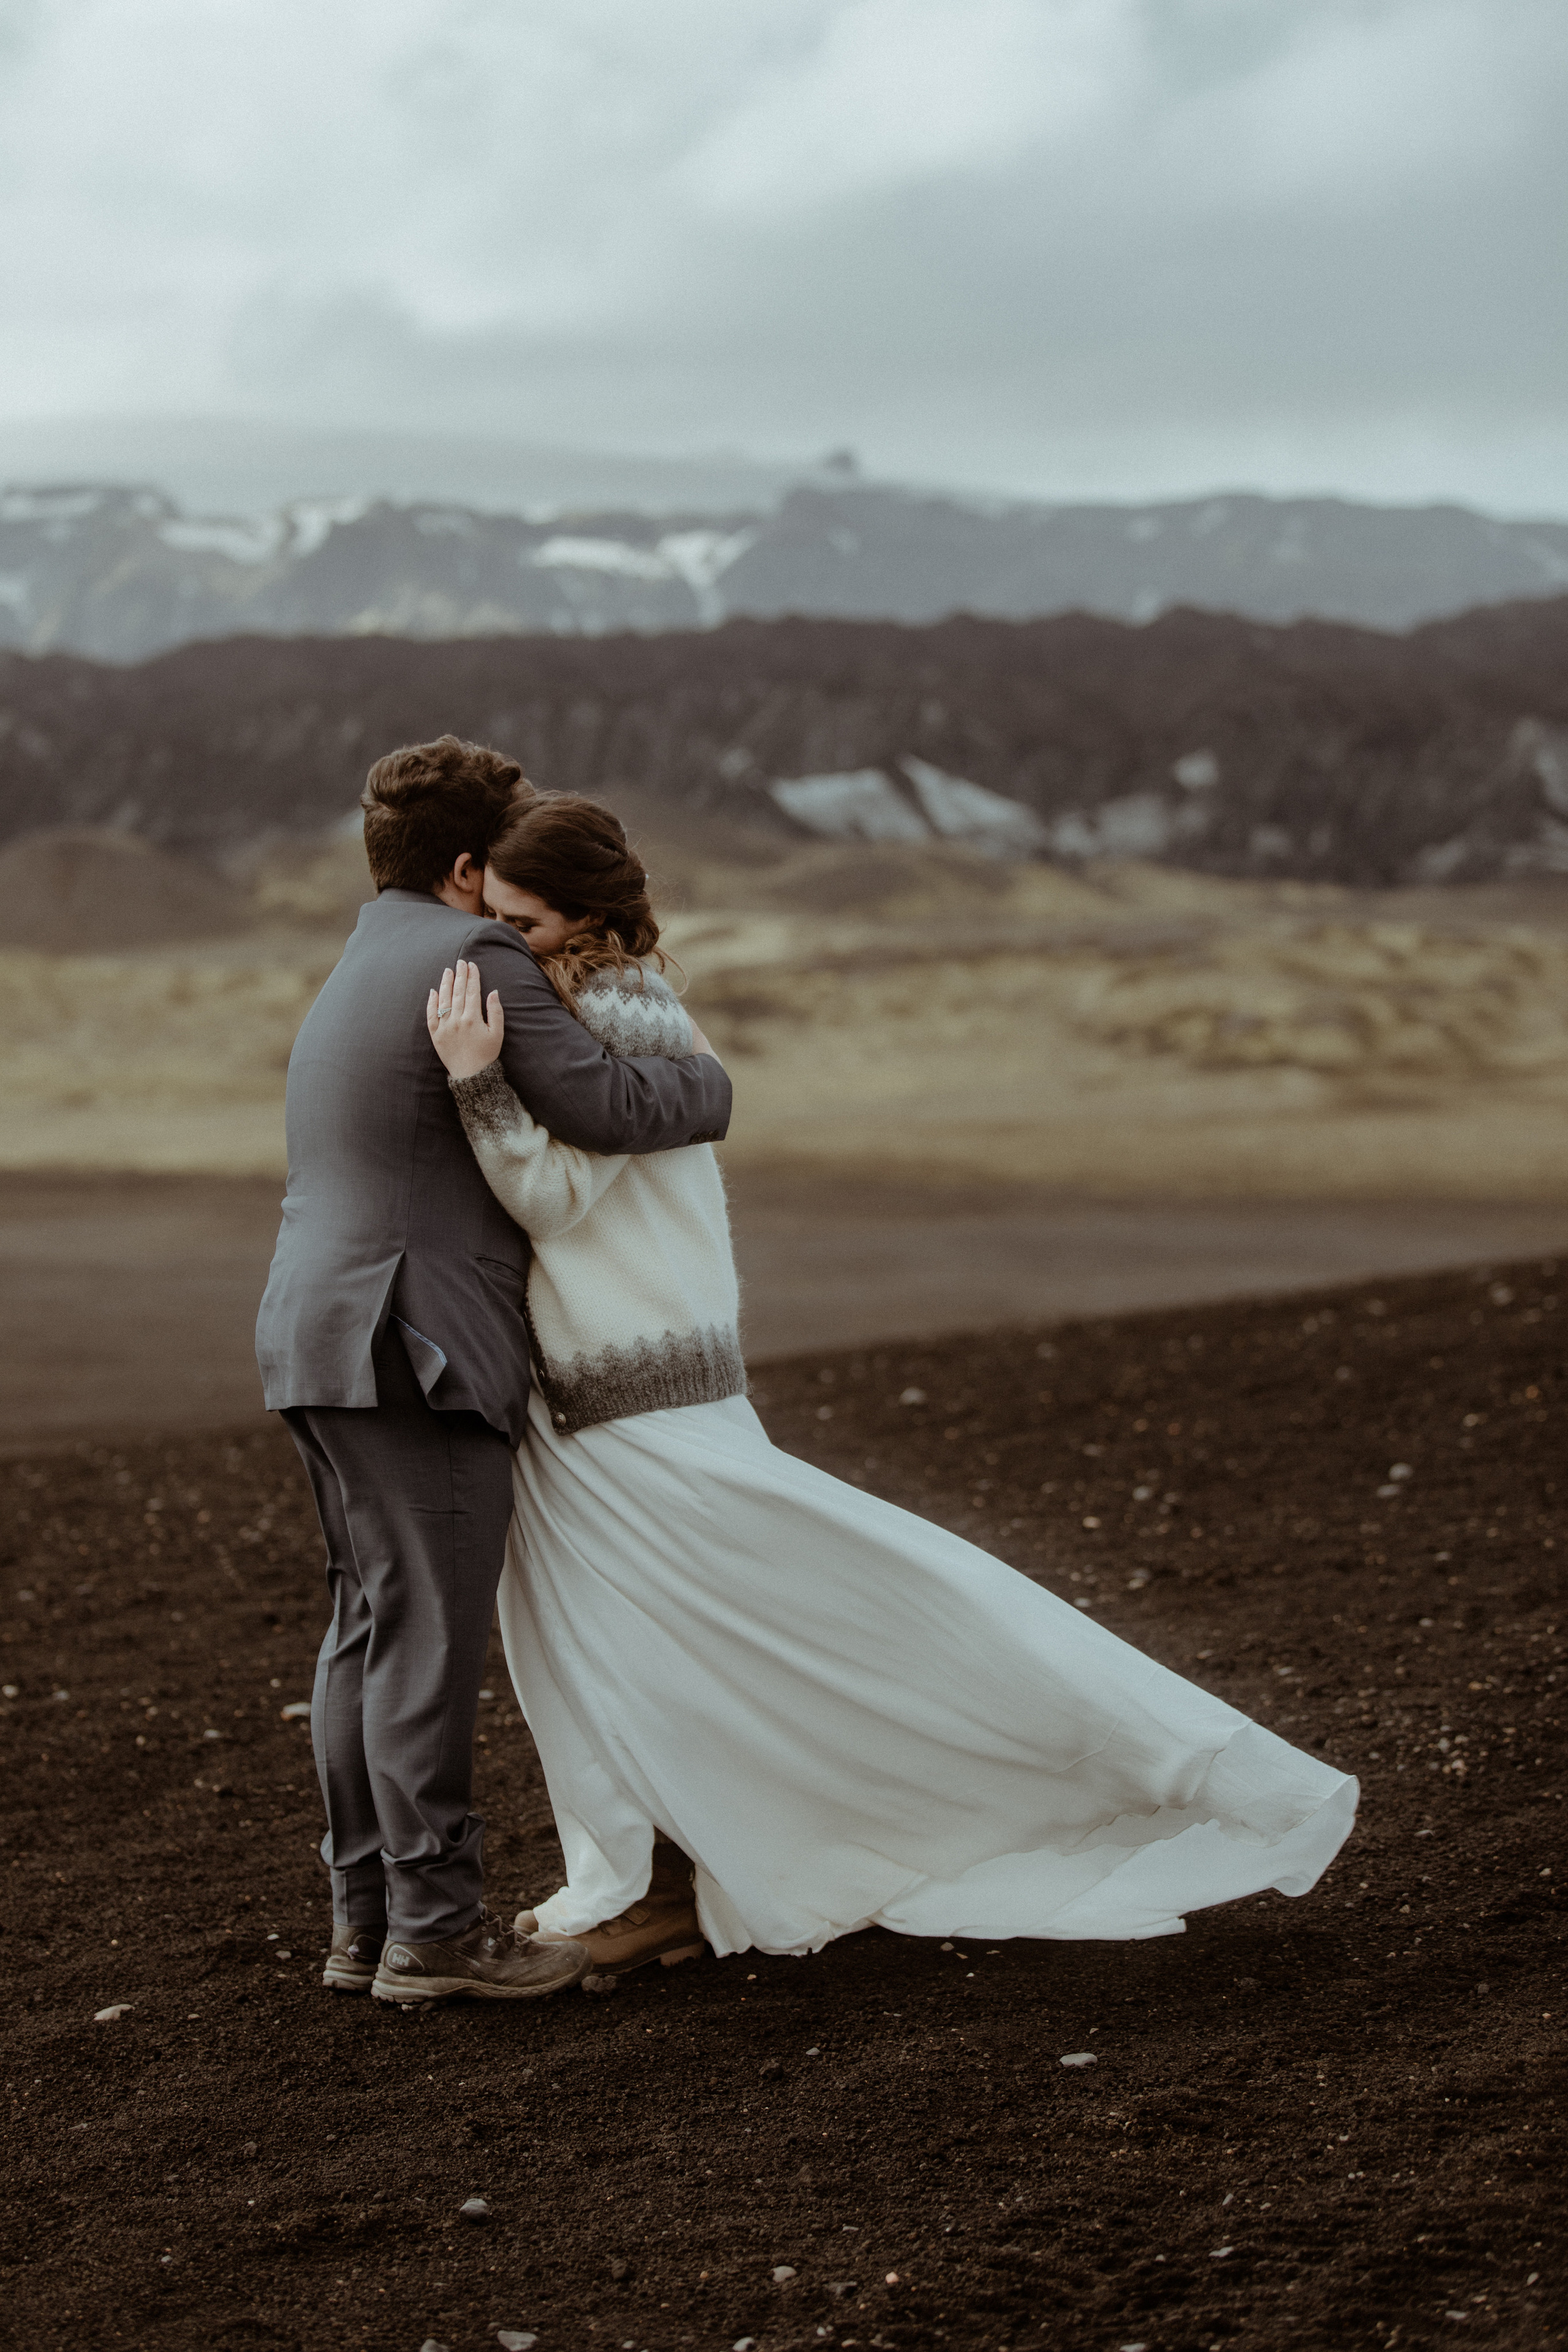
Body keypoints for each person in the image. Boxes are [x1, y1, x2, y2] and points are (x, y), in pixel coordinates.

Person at [426, 794, 1358, 1978]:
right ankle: (658, 1877)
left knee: (694, 1624)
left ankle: (698, 1871)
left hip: (629, 1388)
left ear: (591, 915)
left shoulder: (602, 1006)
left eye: (528, 924)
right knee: (666, 1632)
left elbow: (557, 1201)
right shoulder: (629, 995)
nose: (506, 946)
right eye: (492, 921)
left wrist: (477, 1081)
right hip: (650, 1378)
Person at [254, 737, 733, 2007]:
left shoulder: (359, 958)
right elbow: (607, 1107)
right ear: (469, 867)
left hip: (315, 1330)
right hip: (416, 1343)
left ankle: (368, 1923)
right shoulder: (472, 958)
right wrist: (710, 1080)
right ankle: (440, 1934)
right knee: (421, 1643)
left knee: (364, 1630)